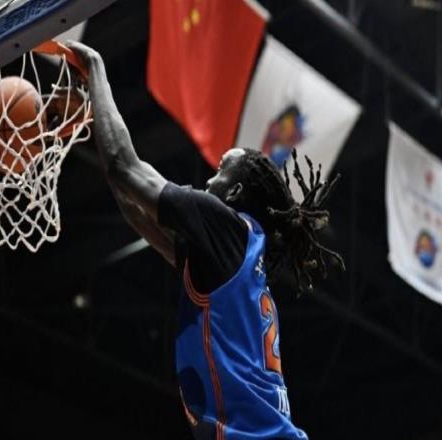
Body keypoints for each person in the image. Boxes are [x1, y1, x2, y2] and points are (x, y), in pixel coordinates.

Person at [67, 41, 344, 440]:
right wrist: (93, 107)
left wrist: (95, 67)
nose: (210, 179)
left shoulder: (227, 227)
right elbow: (131, 203)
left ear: (235, 193)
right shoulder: (232, 259)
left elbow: (124, 167)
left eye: (220, 170)